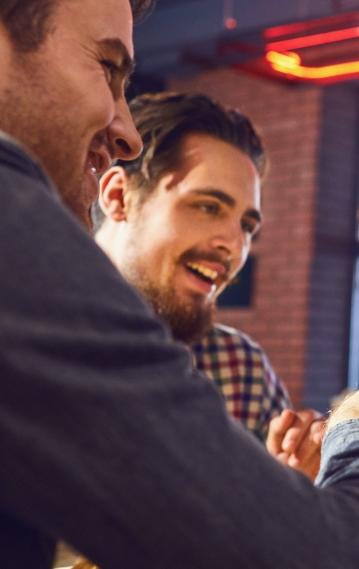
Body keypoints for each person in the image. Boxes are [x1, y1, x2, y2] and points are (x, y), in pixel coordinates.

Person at [0, 0, 359, 567]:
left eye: (247, 223)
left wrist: (286, 488)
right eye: (107, 68)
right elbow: (348, 557)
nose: (125, 133)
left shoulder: (238, 362)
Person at [94, 92, 325, 478]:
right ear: (119, 197)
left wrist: (295, 480)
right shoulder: (20, 334)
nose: (234, 246)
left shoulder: (241, 368)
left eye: (247, 227)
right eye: (208, 207)